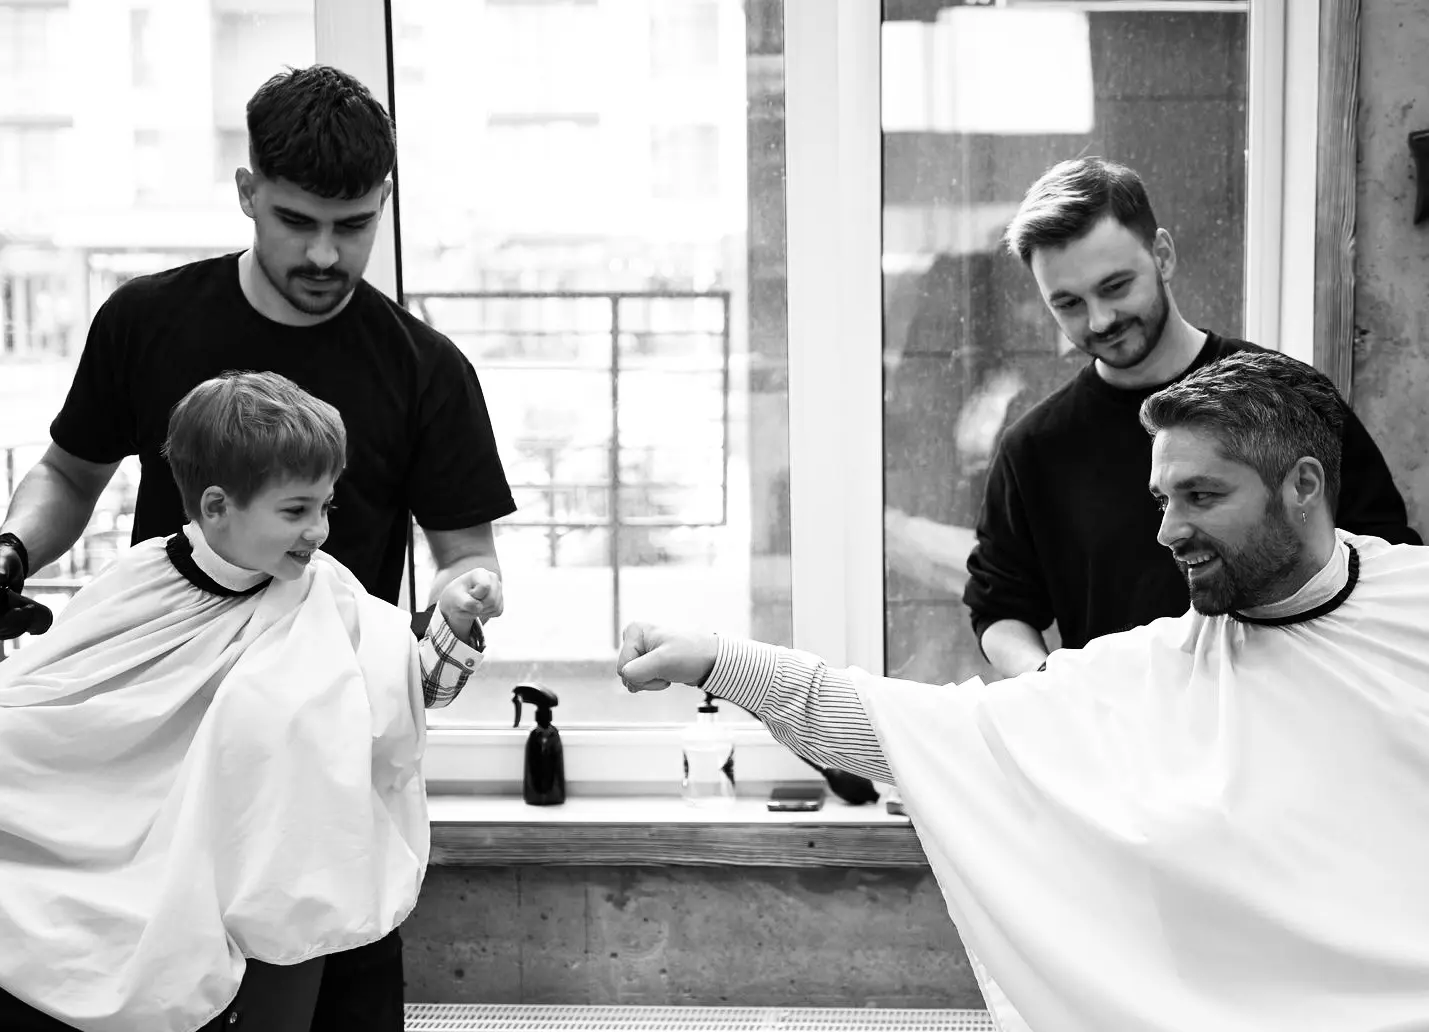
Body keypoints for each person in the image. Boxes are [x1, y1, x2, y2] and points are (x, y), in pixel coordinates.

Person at [617, 350, 1429, 1031]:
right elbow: (904, 729)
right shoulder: (1139, 674)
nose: (1167, 531)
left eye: (1202, 496)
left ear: (1303, 485)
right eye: (1161, 499)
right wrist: (719, 660)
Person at [0, 65, 516, 1030]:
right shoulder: (147, 321)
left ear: (383, 206)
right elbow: (69, 478)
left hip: (316, 766)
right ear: (248, 194)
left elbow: (464, 555)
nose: (325, 252)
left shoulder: (425, 370)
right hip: (159, 746)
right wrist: (11, 553)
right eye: (296, 220)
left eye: (354, 225)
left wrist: (462, 604)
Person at [0, 372, 497, 1032]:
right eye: (295, 510)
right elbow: (54, 708)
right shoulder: (138, 582)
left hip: (277, 894)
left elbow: (415, 688)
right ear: (215, 506)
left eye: (326, 507)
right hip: (134, 867)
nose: (318, 530)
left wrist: (454, 624)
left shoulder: (329, 595)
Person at [961, 156, 1418, 678]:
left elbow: (1383, 559)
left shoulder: (1286, 399)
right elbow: (1001, 608)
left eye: (1115, 286)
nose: (1100, 319)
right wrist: (1052, 690)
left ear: (1163, 254)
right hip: (1127, 741)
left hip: (1283, 722)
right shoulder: (1035, 448)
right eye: (1067, 303)